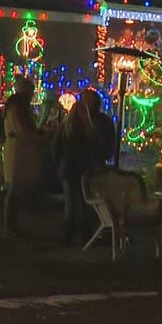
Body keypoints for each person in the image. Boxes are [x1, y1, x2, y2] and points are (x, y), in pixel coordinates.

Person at [54, 90, 101, 245]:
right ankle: (83, 234)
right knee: (84, 203)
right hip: (84, 171)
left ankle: (68, 234)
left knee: (71, 204)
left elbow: (55, 148)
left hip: (69, 169)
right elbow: (95, 150)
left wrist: (58, 163)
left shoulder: (65, 129)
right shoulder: (89, 130)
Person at [3, 76, 42, 237]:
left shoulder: (18, 107)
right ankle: (9, 226)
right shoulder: (16, 109)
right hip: (18, 150)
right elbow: (23, 130)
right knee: (14, 189)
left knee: (16, 189)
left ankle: (12, 225)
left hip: (20, 149)